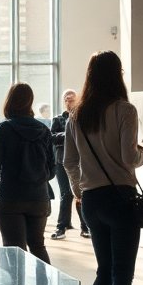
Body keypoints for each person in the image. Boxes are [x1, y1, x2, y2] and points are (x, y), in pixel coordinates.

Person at [62, 50, 143, 285]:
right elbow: (129, 157)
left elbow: (69, 162)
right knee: (122, 275)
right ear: (118, 74)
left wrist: (78, 192)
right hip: (121, 199)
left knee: (103, 271)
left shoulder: (78, 114)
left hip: (92, 201)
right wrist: (142, 153)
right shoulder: (125, 110)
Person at [0, 82, 55, 285]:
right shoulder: (44, 131)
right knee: (38, 246)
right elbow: (52, 170)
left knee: (15, 252)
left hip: (10, 198)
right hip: (39, 197)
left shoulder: (3, 130)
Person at [49, 90, 82, 240]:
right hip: (61, 161)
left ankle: (84, 226)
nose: (69, 102)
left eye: (72, 99)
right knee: (66, 193)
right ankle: (61, 226)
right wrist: (68, 134)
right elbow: (51, 138)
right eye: (66, 100)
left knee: (80, 193)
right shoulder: (58, 119)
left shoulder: (82, 117)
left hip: (79, 161)